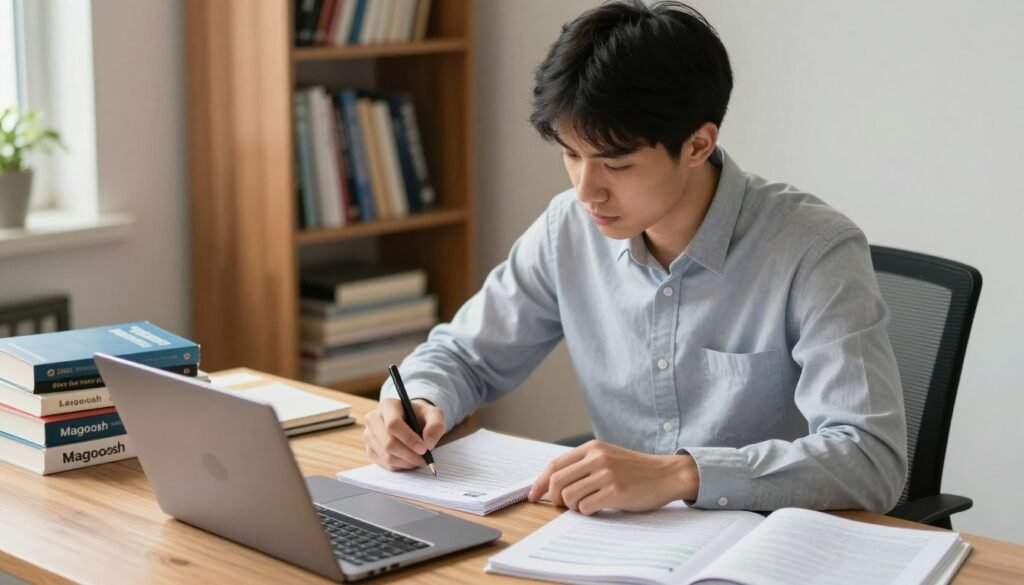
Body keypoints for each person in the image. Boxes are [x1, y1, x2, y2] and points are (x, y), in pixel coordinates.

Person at [362, 0, 907, 515]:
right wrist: (415, 402)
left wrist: (681, 475)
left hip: (762, 546)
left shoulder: (813, 251)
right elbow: (467, 354)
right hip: (615, 540)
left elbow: (869, 459)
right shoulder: (568, 229)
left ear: (697, 145)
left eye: (615, 165)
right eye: (571, 155)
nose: (585, 191)